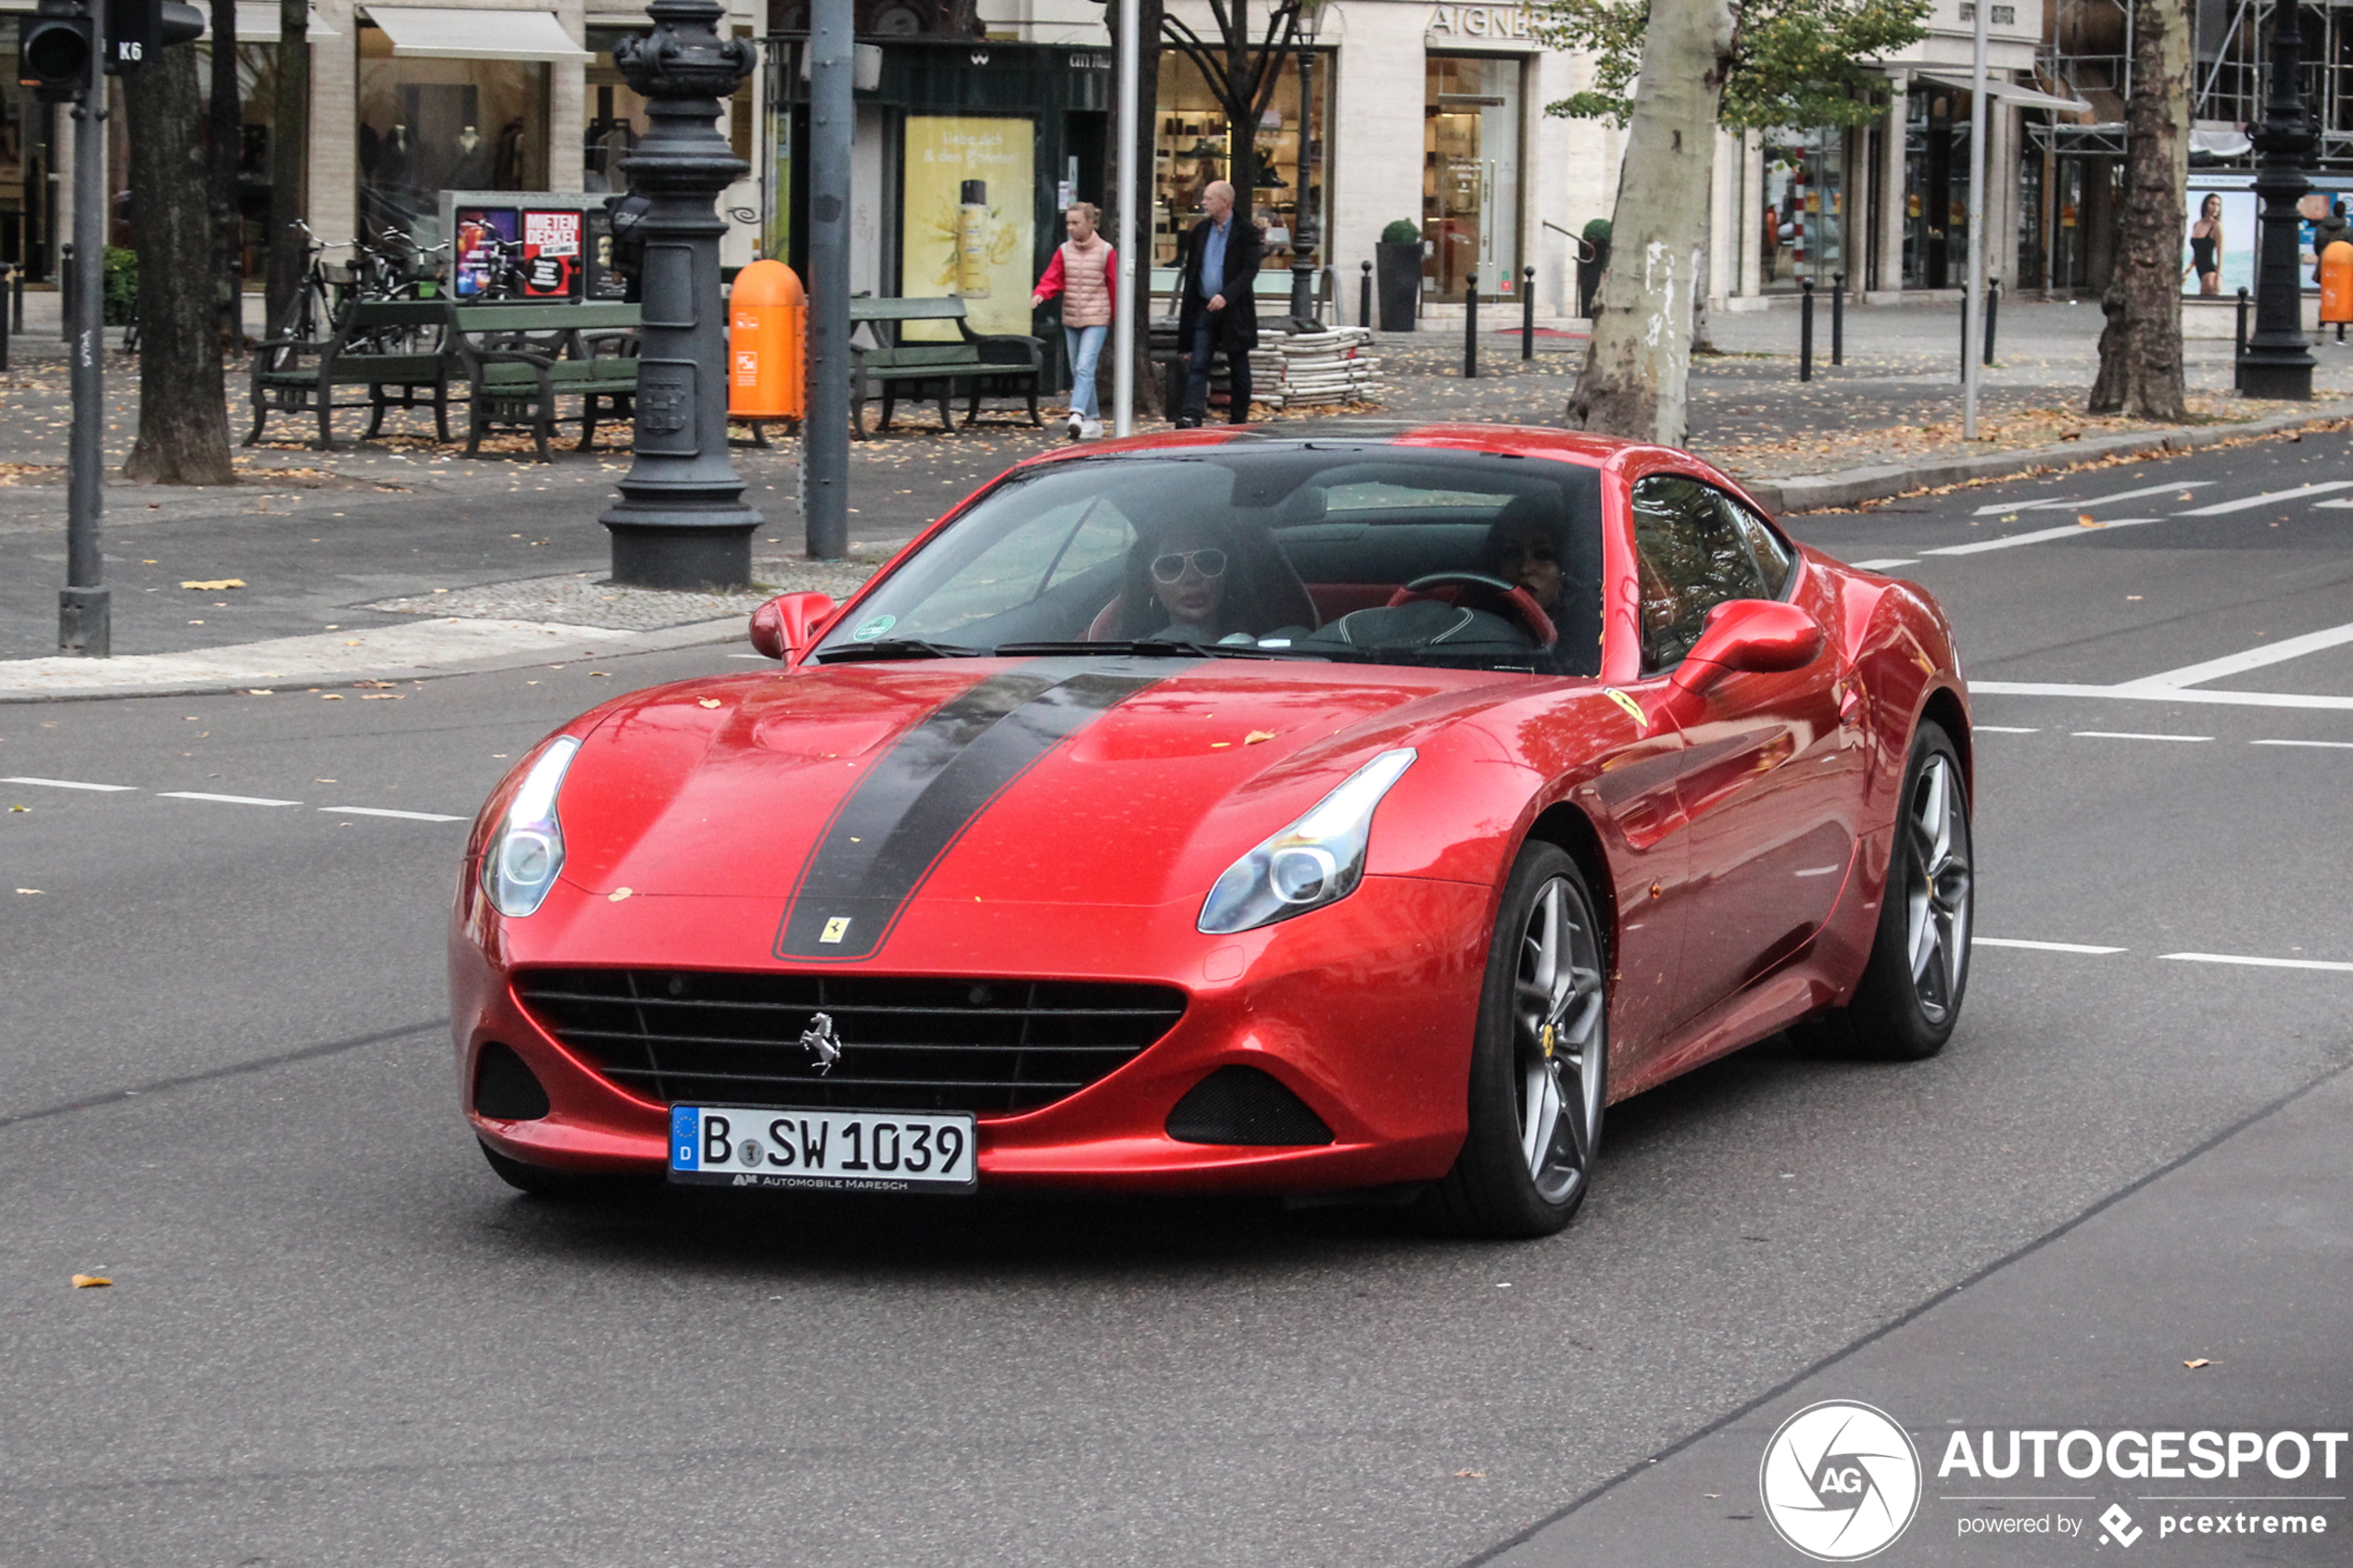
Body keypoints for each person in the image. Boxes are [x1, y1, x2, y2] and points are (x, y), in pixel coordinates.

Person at [1174, 180, 1262, 428]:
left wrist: (1227, 295)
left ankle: (1238, 419)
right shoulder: (1201, 231)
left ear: (1225, 202)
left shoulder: (1246, 232)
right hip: (1204, 306)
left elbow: (1249, 270)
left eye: (1209, 198)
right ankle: (1192, 414)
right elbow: (1194, 269)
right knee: (1199, 361)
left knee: (1238, 363)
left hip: (1234, 310)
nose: (1204, 202)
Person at [1031, 202, 1117, 441]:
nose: (1070, 227)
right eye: (1068, 223)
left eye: (1075, 223)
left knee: (1084, 367)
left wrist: (1114, 315)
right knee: (1077, 369)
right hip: (1072, 316)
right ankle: (1093, 419)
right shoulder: (1064, 251)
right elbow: (1053, 277)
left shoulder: (1105, 251)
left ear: (1091, 223)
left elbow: (1114, 284)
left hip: (1097, 316)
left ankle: (1077, 414)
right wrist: (1041, 293)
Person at [2188, 193, 2222, 296]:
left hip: (2210, 273)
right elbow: (2198, 252)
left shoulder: (2216, 226)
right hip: (2200, 272)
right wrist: (2187, 272)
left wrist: (2217, 278)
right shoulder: (2197, 225)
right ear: (2205, 205)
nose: (2216, 208)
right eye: (2212, 203)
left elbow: (2220, 254)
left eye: (2218, 205)